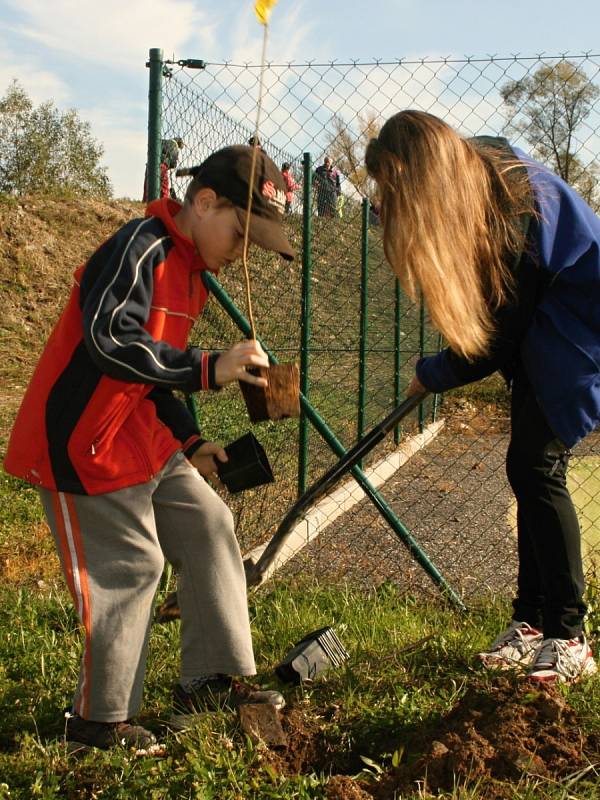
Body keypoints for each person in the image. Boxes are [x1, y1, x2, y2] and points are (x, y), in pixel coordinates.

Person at [4, 145, 293, 751]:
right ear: (204, 201)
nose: (243, 252)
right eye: (241, 234)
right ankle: (97, 721)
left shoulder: (194, 278)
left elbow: (152, 375)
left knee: (210, 521)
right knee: (135, 564)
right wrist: (210, 367)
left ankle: (210, 680)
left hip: (139, 434)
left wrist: (192, 441)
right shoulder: (140, 246)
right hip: (80, 441)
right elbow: (110, 340)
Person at [365, 110, 599, 684]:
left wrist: (434, 373)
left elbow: (496, 337)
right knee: (527, 471)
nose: (390, 199)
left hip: (578, 328)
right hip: (546, 329)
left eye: (395, 186)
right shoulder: (478, 178)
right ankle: (531, 623)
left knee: (536, 467)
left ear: (422, 173)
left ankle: (570, 635)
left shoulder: (519, 210)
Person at [142, 137, 184, 202]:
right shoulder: (174, 146)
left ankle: (145, 201)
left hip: (150, 164)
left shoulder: (162, 142)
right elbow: (173, 163)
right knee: (164, 187)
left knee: (147, 184)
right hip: (163, 165)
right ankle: (163, 202)